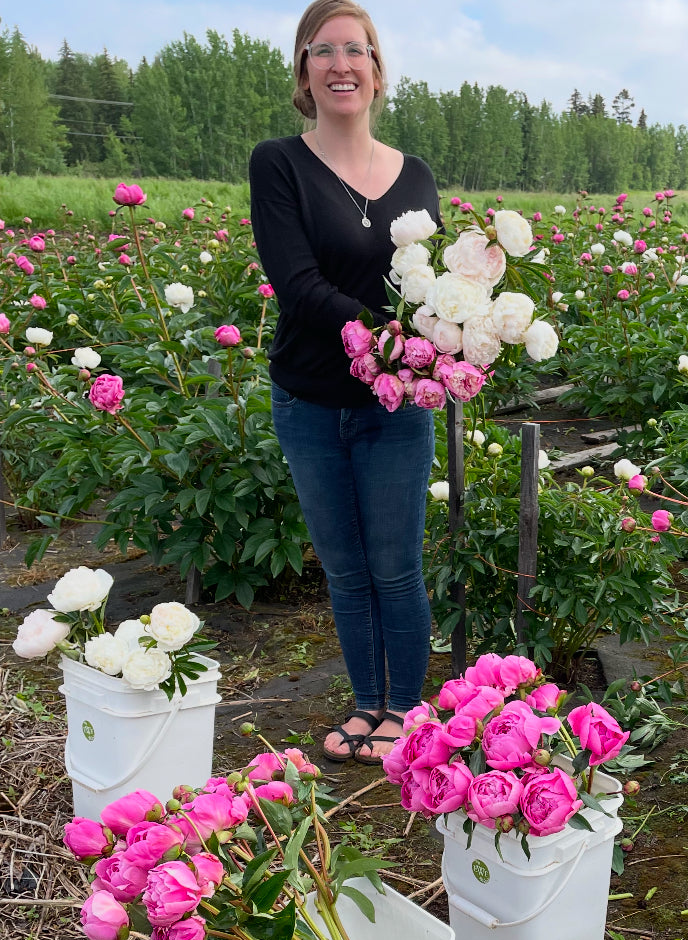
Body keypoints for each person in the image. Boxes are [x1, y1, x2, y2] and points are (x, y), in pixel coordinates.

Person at [249, 0, 442, 765]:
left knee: (396, 563)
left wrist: (452, 337)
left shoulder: (415, 175)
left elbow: (426, 287)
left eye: (355, 50)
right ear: (303, 71)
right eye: (322, 50)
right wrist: (394, 336)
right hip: (309, 401)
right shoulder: (279, 163)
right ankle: (368, 700)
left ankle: (407, 710)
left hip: (394, 407)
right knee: (345, 565)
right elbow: (296, 285)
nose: (340, 64)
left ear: (377, 69)